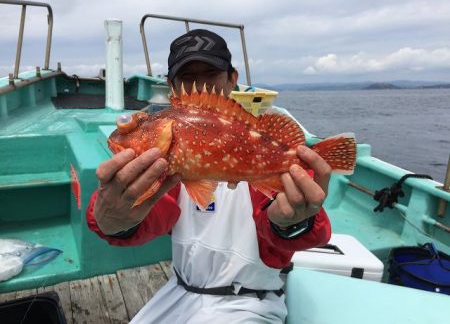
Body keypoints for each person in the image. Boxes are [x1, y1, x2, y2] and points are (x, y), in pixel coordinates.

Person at [86, 29, 332, 323]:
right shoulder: (166, 161)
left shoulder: (261, 143)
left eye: (211, 74)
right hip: (179, 292)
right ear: (172, 86)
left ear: (232, 78)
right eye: (189, 78)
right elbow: (151, 215)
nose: (200, 86)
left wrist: (292, 223)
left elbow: (293, 228)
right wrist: (112, 220)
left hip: (251, 303)